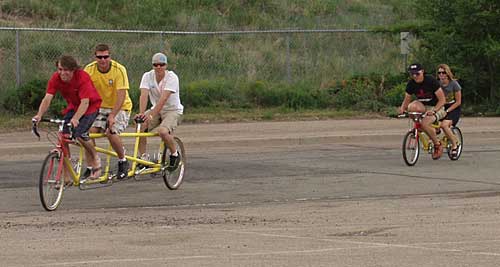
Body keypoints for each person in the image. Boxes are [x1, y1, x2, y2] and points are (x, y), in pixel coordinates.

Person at [32, 55, 102, 185]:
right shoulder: (56, 78)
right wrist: (39, 115)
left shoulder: (82, 77)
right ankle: (67, 176)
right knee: (63, 137)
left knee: (80, 134)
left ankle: (95, 157)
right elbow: (47, 98)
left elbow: (85, 102)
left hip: (90, 107)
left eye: (66, 70)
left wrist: (76, 119)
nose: (62, 73)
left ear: (73, 70)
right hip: (73, 107)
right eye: (60, 69)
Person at [83, 44, 133, 179]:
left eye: (106, 57)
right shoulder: (89, 69)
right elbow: (84, 93)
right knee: (87, 133)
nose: (103, 60)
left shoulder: (119, 70)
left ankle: (123, 160)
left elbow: (121, 95)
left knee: (111, 132)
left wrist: (112, 115)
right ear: (95, 57)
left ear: (110, 57)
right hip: (99, 107)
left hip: (120, 106)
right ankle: (93, 164)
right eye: (100, 57)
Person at [135, 52, 183, 171]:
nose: (158, 67)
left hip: (172, 110)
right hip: (156, 109)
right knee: (139, 125)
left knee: (163, 131)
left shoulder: (172, 77)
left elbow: (164, 99)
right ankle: (143, 158)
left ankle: (175, 154)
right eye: (155, 65)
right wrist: (142, 114)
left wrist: (151, 116)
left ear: (166, 65)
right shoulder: (147, 76)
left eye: (161, 65)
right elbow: (144, 95)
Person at [399, 63, 447, 160]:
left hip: (437, 107)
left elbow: (442, 100)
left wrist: (434, 110)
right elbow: (407, 99)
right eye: (412, 74)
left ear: (423, 72)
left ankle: (437, 145)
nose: (415, 76)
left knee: (425, 123)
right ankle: (421, 127)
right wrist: (402, 109)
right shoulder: (411, 83)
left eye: (417, 74)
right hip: (423, 106)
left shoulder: (431, 81)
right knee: (411, 107)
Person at [437, 64, 462, 156]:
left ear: (447, 73)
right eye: (439, 73)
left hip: (453, 107)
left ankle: (454, 145)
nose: (441, 75)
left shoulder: (454, 84)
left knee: (444, 125)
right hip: (441, 106)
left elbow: (458, 101)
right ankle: (437, 143)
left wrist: (447, 111)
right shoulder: (437, 84)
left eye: (443, 72)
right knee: (431, 123)